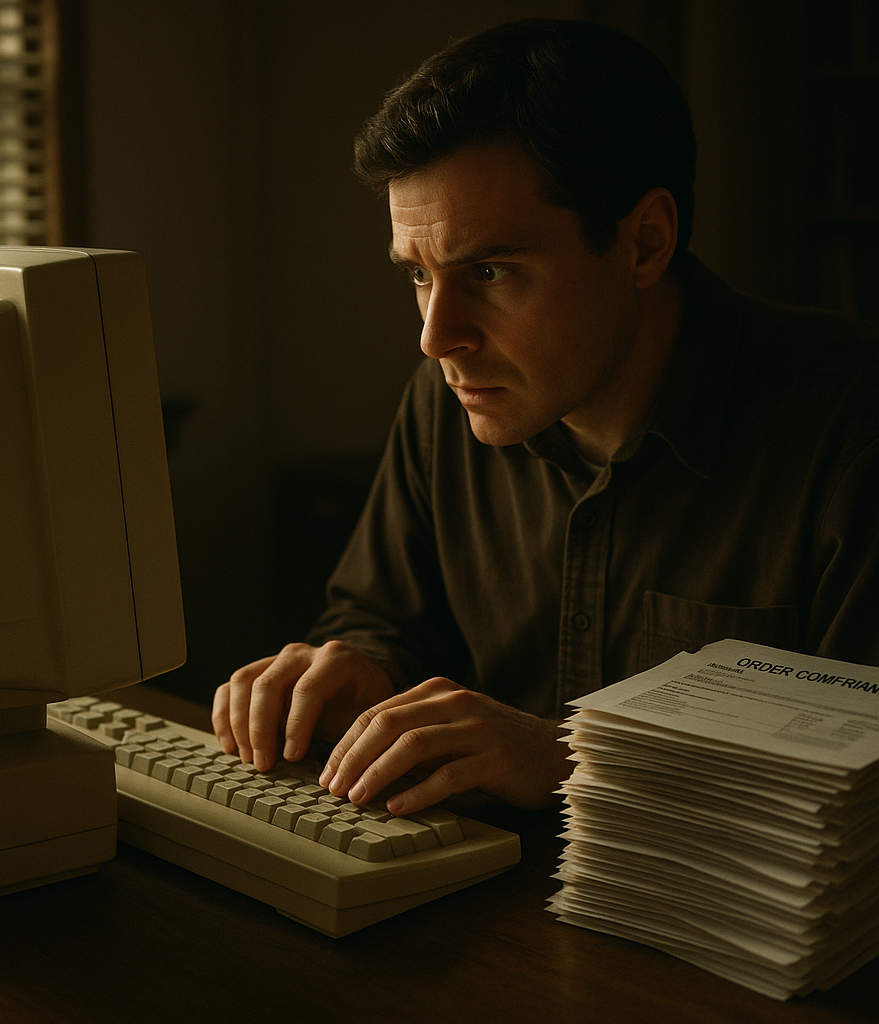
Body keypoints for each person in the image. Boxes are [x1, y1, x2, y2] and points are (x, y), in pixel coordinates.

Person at [212, 18, 879, 817]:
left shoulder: (851, 430)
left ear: (644, 243)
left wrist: (578, 765)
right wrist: (360, 664)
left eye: (488, 270)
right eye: (418, 275)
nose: (435, 337)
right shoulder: (450, 398)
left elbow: (861, 803)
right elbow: (384, 616)